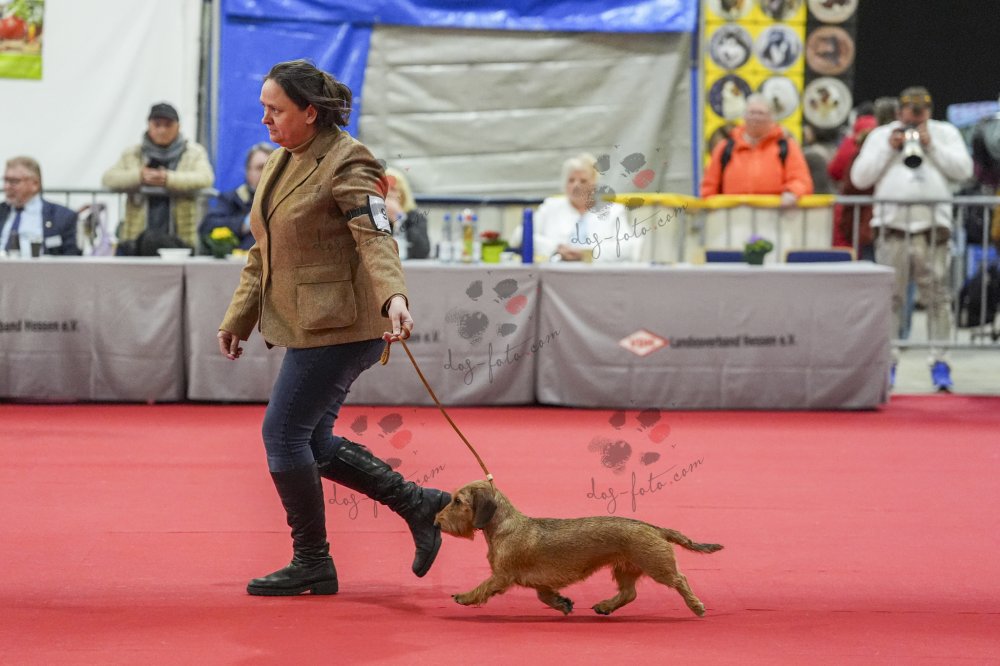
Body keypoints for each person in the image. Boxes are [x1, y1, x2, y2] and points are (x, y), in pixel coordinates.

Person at [216, 59, 450, 597]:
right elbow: (263, 251)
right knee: (312, 440)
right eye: (263, 109)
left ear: (309, 112)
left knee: (282, 434)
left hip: (344, 324)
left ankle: (312, 562)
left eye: (275, 110)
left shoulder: (350, 159)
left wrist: (394, 296)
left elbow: (376, 235)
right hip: (312, 322)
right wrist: (239, 318)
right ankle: (418, 504)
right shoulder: (282, 159)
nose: (265, 120)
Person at [851, 86, 974, 390]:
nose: (915, 115)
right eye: (910, 109)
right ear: (899, 111)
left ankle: (940, 362)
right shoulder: (882, 136)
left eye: (922, 110)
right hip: (892, 229)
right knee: (889, 299)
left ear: (930, 111)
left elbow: (964, 171)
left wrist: (932, 146)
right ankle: (887, 363)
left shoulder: (945, 133)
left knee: (938, 299)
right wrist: (888, 149)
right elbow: (860, 178)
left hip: (933, 231)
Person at [102, 102, 214, 251]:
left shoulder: (194, 153)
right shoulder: (133, 153)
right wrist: (139, 176)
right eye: (157, 124)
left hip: (180, 238)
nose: (162, 130)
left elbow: (206, 178)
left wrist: (168, 179)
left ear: (178, 126)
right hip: (137, 240)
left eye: (168, 125)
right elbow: (108, 178)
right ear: (148, 125)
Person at [510, 153, 642, 262]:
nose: (576, 185)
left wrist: (586, 253)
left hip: (600, 277)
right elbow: (519, 235)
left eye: (583, 181)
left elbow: (627, 248)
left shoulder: (613, 211)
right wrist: (555, 248)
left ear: (594, 185)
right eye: (571, 180)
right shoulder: (550, 207)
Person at [700, 94, 814, 204]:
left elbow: (801, 181)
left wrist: (792, 193)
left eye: (761, 113)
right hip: (733, 214)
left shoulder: (787, 146)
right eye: (752, 113)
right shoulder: (725, 148)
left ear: (772, 117)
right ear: (744, 116)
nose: (756, 117)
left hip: (776, 213)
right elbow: (709, 186)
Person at [198, 142, 275, 251]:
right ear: (248, 171)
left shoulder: (285, 200)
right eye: (260, 167)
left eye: (270, 168)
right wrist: (245, 223)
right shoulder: (232, 199)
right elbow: (207, 226)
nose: (265, 172)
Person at [1, 156, 80, 256]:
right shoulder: (2, 211)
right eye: (5, 181)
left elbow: (71, 258)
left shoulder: (62, 217)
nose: (6, 187)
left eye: (14, 181)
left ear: (35, 184)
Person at [827, 113, 878, 260]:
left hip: (855, 217)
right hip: (869, 218)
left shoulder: (851, 144)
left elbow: (835, 171)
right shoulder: (883, 145)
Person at [383, 167, 431, 259]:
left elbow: (422, 251)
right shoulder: (371, 217)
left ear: (403, 194)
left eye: (393, 189)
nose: (387, 193)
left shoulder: (415, 217)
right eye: (383, 189)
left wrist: (400, 219)